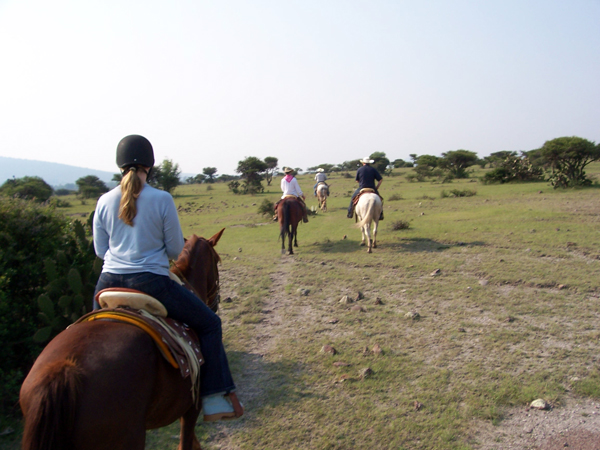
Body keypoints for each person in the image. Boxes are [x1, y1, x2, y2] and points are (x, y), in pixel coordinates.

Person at [93, 134, 243, 422]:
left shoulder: (103, 200)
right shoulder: (162, 198)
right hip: (151, 283)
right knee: (211, 324)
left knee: (86, 330)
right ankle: (214, 397)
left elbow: (101, 251)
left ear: (119, 164)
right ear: (150, 165)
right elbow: (176, 250)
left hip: (107, 283)